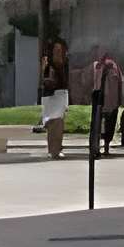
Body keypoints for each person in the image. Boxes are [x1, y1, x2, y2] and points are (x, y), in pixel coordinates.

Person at [39, 30, 72, 159]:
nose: (59, 53)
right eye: (56, 50)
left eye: (61, 51)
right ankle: (52, 150)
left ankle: (56, 149)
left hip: (61, 94)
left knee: (58, 123)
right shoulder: (48, 64)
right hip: (51, 95)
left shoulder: (64, 64)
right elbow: (43, 81)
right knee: (53, 124)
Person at [90, 49, 124, 156]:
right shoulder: (109, 67)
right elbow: (121, 83)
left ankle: (98, 148)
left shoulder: (101, 67)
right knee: (107, 125)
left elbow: (120, 83)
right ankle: (104, 147)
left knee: (99, 125)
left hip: (102, 101)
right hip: (109, 102)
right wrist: (122, 99)